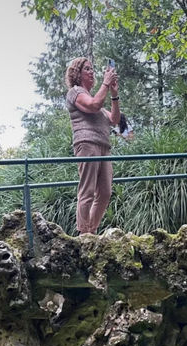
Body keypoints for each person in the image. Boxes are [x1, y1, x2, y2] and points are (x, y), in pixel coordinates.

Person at [65, 57, 120, 235]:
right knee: (87, 191)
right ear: (77, 73)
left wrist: (114, 93)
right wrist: (105, 83)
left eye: (92, 69)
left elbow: (115, 120)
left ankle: (92, 230)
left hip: (104, 148)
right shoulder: (75, 92)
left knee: (105, 192)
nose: (91, 71)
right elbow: (94, 105)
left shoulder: (96, 99)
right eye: (87, 69)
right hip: (87, 144)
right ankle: (84, 233)